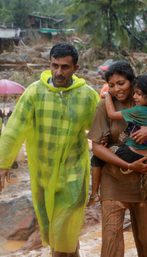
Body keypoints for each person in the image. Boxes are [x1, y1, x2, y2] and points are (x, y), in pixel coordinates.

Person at [0, 43, 99, 257]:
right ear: (49, 64)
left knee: (63, 235)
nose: (58, 72)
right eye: (55, 66)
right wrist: (3, 166)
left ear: (76, 68)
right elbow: (14, 130)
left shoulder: (87, 96)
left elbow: (102, 132)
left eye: (65, 67)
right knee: (62, 238)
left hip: (73, 175)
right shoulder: (35, 93)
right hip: (43, 176)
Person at [87, 61, 147, 257]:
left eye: (121, 83)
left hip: (145, 182)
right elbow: (96, 147)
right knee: (111, 241)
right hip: (113, 181)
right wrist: (128, 164)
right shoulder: (105, 106)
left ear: (132, 81)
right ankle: (95, 192)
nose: (116, 89)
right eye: (111, 85)